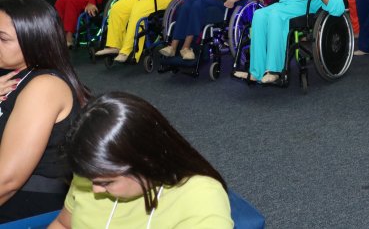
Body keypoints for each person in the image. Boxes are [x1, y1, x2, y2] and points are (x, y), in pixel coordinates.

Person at [49, 92, 232, 228]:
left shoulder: (199, 198)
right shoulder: (93, 172)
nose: (95, 189)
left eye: (107, 182)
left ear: (146, 162)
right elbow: (63, 224)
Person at [0, 0, 89, 223]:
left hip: (28, 202)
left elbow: (7, 181)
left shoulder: (44, 86)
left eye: (2, 38)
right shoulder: (10, 72)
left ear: (34, 40)